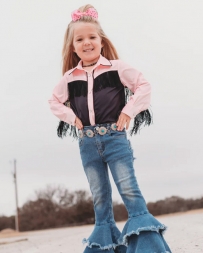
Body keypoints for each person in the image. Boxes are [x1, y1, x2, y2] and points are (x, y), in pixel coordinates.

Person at [48, 4, 172, 253]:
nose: (87, 42)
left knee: (128, 189)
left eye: (92, 37)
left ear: (101, 41)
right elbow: (53, 100)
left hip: (115, 139)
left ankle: (148, 247)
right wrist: (72, 118)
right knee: (100, 196)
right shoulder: (70, 78)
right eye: (80, 39)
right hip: (87, 143)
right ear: (73, 47)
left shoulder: (117, 68)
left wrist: (128, 111)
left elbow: (143, 85)